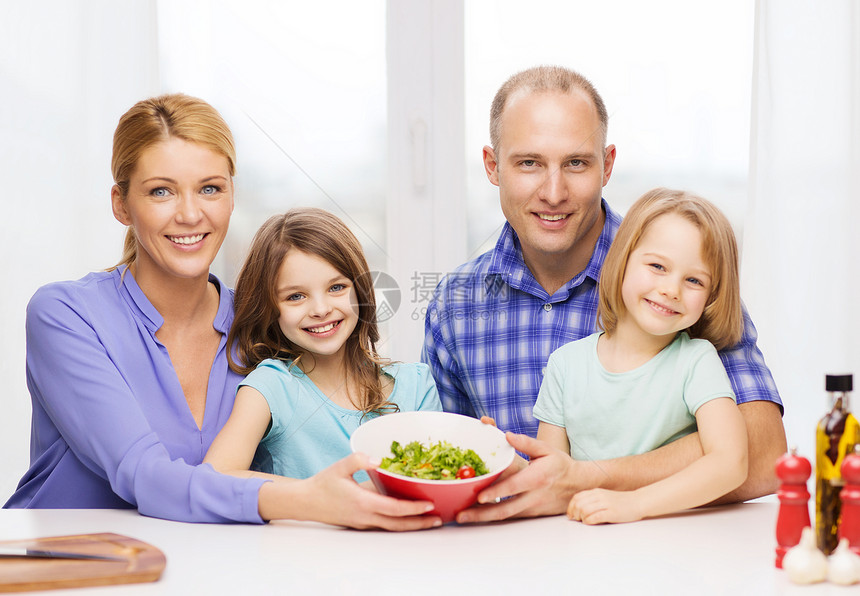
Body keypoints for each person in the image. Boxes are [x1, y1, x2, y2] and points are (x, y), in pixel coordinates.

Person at [5, 93, 441, 530]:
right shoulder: (65, 315)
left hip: (210, 569)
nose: (191, 214)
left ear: (232, 195)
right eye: (161, 191)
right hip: (65, 564)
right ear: (121, 204)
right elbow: (141, 474)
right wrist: (307, 499)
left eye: (210, 188)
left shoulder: (262, 323)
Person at [421, 65, 787, 522]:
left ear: (607, 165)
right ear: (493, 167)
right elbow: (441, 471)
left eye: (576, 163)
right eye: (529, 163)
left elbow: (764, 453)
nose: (553, 192)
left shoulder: (667, 280)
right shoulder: (454, 307)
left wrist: (591, 479)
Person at [535, 188, 748, 524]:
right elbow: (551, 477)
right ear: (623, 260)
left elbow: (731, 463)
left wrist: (634, 505)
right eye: (657, 266)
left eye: (694, 280)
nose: (671, 289)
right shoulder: (566, 364)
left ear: (711, 297)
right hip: (583, 541)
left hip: (670, 542)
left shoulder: (696, 361)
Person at [203, 208, 442, 481]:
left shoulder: (416, 384)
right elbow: (214, 478)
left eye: (336, 287)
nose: (320, 309)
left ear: (360, 290)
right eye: (295, 296)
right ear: (270, 308)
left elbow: (439, 480)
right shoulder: (270, 388)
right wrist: (320, 498)